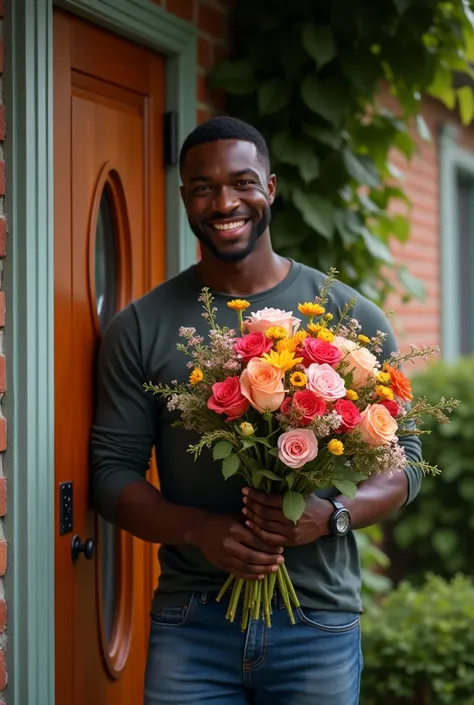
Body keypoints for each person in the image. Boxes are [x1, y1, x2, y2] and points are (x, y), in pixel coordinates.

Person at [91, 116, 422, 705]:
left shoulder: (352, 321)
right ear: (185, 198)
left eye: (242, 182)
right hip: (192, 623)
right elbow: (110, 476)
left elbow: (405, 466)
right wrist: (199, 530)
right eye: (203, 187)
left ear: (269, 188)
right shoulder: (141, 326)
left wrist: (332, 515)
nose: (224, 202)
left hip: (317, 624)